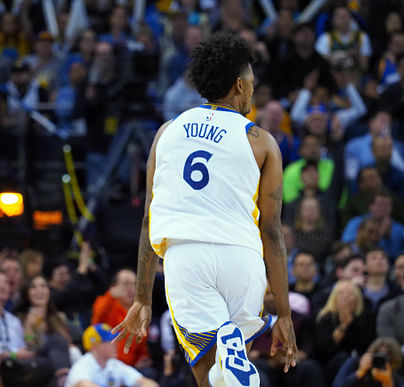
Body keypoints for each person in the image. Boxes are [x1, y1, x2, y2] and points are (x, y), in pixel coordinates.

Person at [111, 34, 297, 387]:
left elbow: (151, 219)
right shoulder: (260, 140)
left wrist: (142, 298)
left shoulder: (167, 132)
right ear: (239, 85)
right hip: (242, 257)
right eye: (252, 85)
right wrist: (284, 314)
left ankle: (225, 350)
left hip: (186, 256)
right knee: (226, 369)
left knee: (206, 374)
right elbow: (271, 232)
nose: (253, 92)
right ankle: (231, 347)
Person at [65, 323, 158, 387]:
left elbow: (147, 383)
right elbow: (84, 385)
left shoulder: (114, 364)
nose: (115, 344)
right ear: (95, 345)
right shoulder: (82, 366)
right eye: (109, 341)